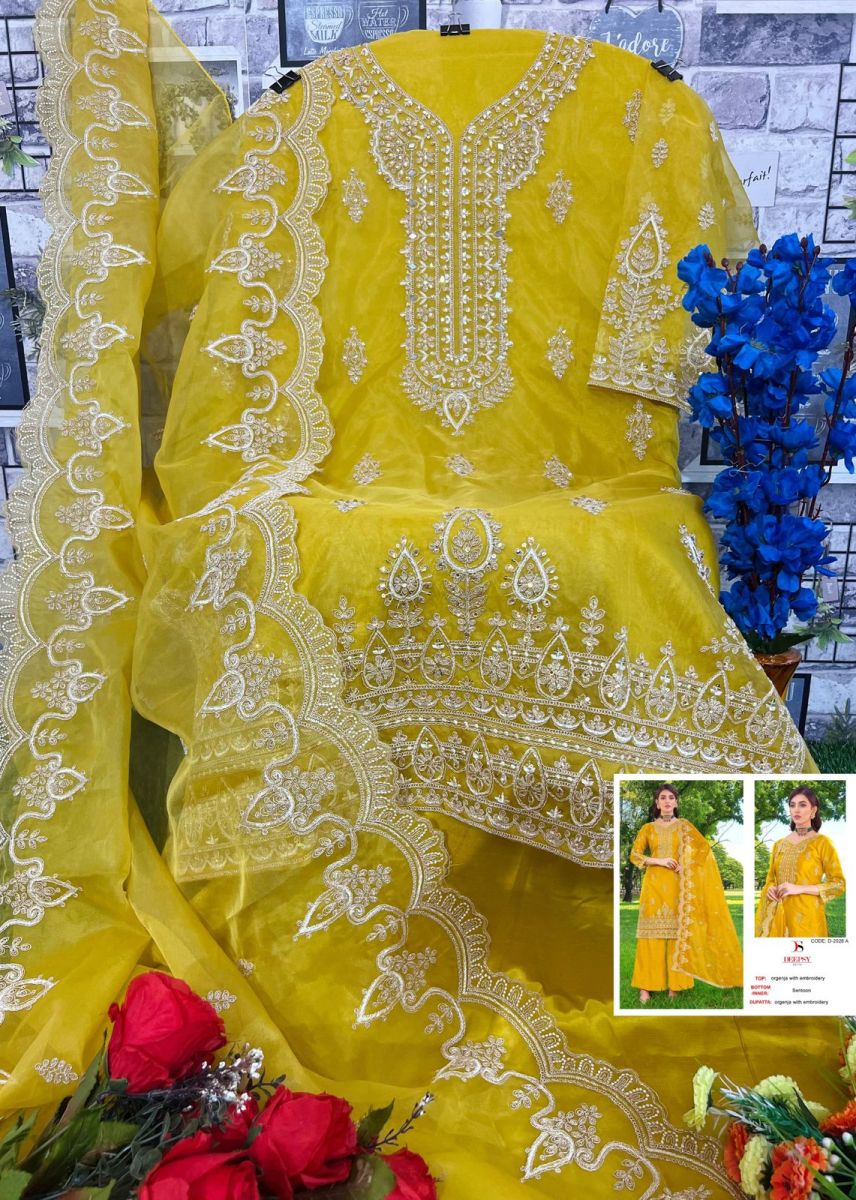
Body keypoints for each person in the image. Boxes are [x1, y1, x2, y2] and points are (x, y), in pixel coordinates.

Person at [0, 8, 824, 1197]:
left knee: (646, 563)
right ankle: (769, 1083)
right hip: (374, 493)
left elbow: (660, 371)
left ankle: (776, 1049)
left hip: (596, 488)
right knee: (277, 555)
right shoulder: (299, 126)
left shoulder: (651, 113)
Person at [630, 785, 743, 1003]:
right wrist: (659, 860)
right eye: (663, 798)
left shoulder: (684, 826)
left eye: (671, 797)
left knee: (677, 934)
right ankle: (645, 987)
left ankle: (676, 986)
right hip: (653, 886)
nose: (667, 801)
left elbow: (703, 849)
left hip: (678, 886)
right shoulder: (648, 829)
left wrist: (687, 865)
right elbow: (635, 855)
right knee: (650, 935)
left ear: (676, 802)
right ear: (657, 803)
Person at [755, 787, 846, 938]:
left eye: (802, 805)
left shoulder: (822, 843)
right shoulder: (779, 844)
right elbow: (770, 879)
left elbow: (838, 884)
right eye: (792, 805)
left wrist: (799, 888)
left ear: (813, 810)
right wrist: (770, 887)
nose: (796, 809)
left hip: (808, 918)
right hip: (777, 917)